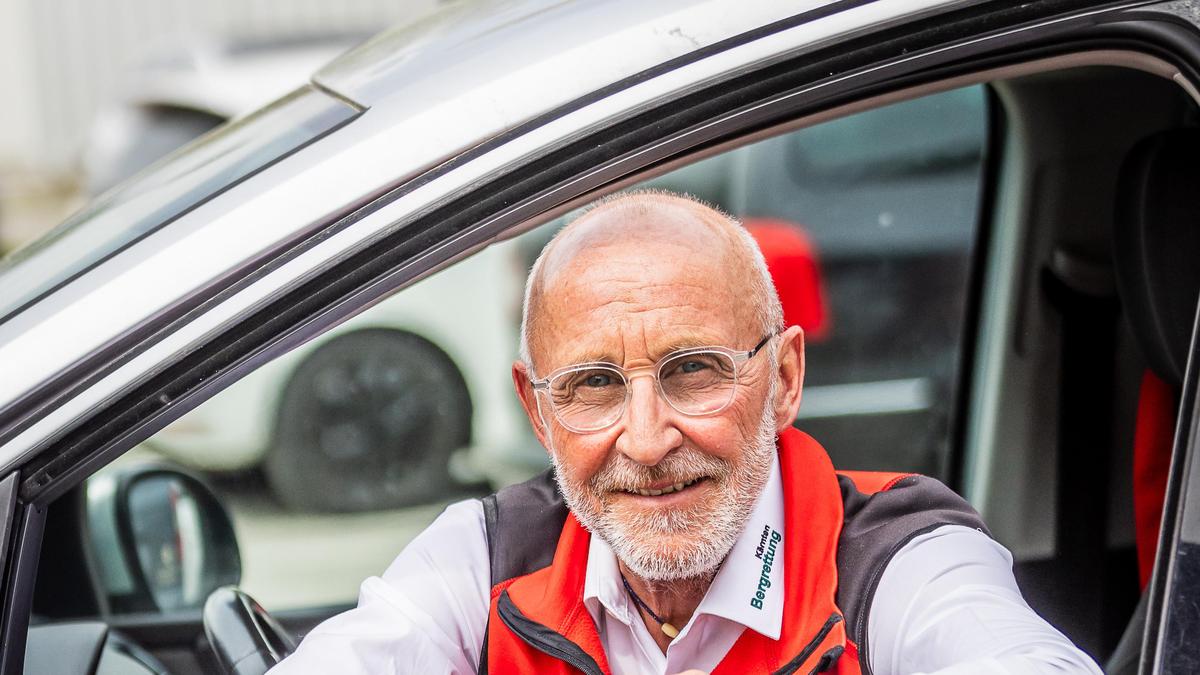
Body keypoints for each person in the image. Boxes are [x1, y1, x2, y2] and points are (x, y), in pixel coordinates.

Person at [271, 192, 1101, 674]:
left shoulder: (892, 559)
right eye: (593, 385)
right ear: (538, 411)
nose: (645, 438)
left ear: (782, 380)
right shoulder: (486, 560)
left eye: (694, 370)